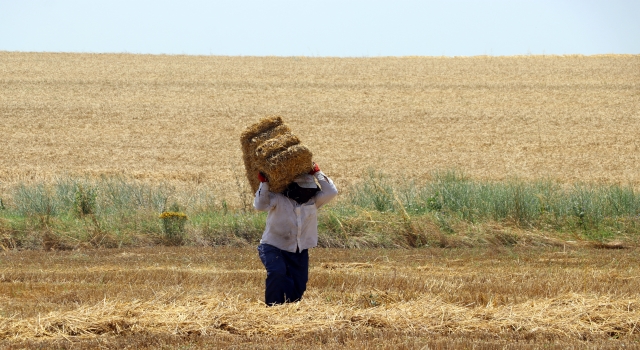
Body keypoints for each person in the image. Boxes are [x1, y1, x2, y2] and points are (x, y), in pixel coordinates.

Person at [254, 162, 338, 306]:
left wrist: (317, 172)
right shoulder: (279, 199)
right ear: (292, 188)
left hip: (299, 250)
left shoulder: (313, 201)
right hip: (274, 246)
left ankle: (289, 310)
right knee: (277, 273)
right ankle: (272, 307)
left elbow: (332, 192)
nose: (307, 193)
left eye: (309, 190)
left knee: (299, 283)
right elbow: (260, 205)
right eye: (303, 190)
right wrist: (264, 183)